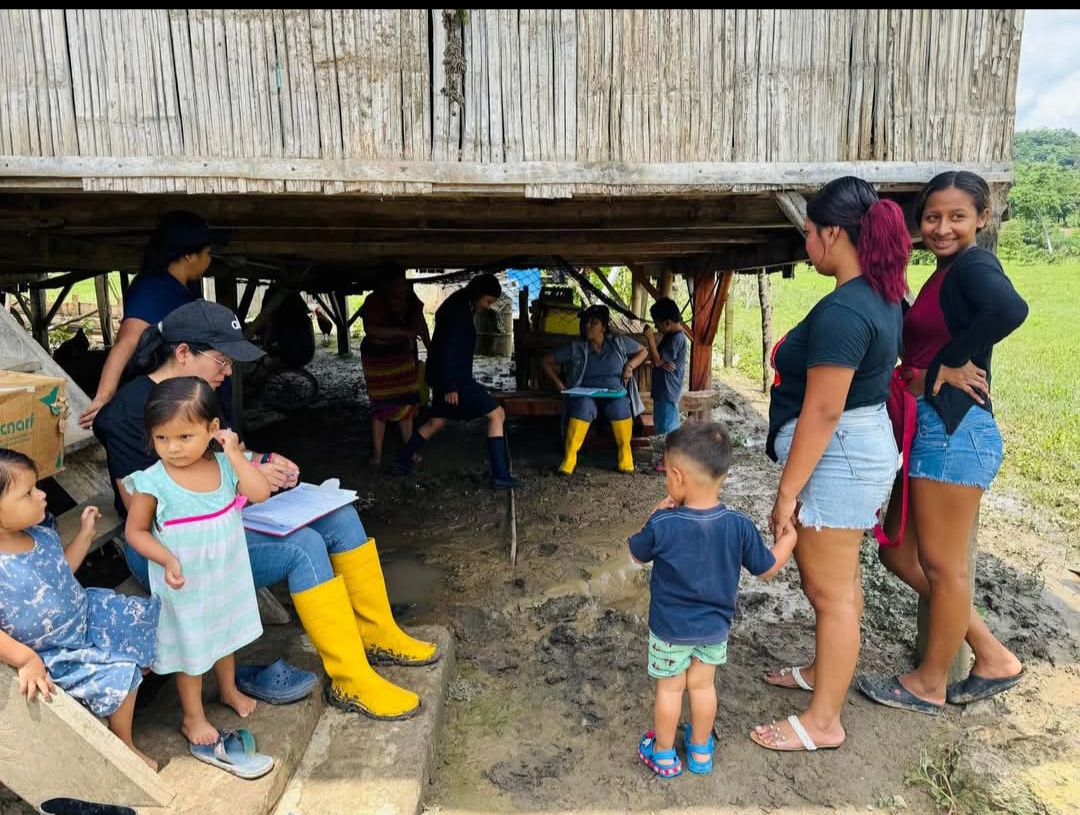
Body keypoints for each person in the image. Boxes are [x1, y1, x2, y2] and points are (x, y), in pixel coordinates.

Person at [94, 300, 436, 721]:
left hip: (220, 516)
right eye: (222, 360)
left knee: (340, 515)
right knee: (303, 547)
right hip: (171, 544)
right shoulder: (130, 413)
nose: (227, 372)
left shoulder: (199, 394)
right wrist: (235, 486)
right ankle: (350, 678)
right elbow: (146, 511)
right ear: (183, 352)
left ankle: (379, 635)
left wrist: (262, 462)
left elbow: (222, 451)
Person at [857, 171, 1027, 713]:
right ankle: (992, 655)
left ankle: (930, 683)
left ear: (983, 217)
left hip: (956, 431)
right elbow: (920, 357)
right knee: (897, 552)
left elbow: (1011, 310)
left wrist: (949, 362)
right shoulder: (942, 273)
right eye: (933, 217)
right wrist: (928, 370)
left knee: (943, 566)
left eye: (957, 216)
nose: (943, 227)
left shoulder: (974, 265)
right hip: (932, 429)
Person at [754, 176, 909, 752]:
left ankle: (824, 722)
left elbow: (823, 410)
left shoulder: (847, 308)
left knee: (831, 593)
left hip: (839, 451)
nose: (807, 244)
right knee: (839, 583)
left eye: (810, 233)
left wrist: (786, 495)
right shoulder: (880, 294)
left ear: (834, 234)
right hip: (856, 446)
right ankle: (824, 673)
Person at [630, 424, 795, 777]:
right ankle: (701, 752)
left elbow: (637, 554)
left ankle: (663, 754)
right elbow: (766, 569)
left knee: (670, 690)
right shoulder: (738, 525)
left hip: (669, 630)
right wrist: (789, 541)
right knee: (703, 686)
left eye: (666, 473)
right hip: (714, 630)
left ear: (677, 476)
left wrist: (654, 513)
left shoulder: (663, 523)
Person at [124, 378, 272, 763]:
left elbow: (260, 493)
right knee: (192, 648)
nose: (172, 447)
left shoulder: (225, 466)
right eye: (161, 438)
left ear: (213, 429)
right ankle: (193, 716)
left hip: (225, 576)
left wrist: (235, 453)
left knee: (224, 633)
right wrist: (167, 559)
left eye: (184, 436)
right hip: (184, 584)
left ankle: (228, 689)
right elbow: (135, 531)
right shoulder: (152, 481)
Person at [0, 450, 160, 770]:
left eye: (37, 487)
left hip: (86, 615)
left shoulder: (40, 534)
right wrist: (25, 659)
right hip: (55, 650)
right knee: (123, 674)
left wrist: (85, 535)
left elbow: (61, 571)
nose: (42, 495)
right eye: (28, 493)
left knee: (143, 620)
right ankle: (124, 743)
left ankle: (131, 673)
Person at [80, 211, 216, 428]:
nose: (210, 259)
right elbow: (126, 342)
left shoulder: (184, 287)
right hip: (163, 400)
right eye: (208, 253)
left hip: (184, 396)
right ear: (189, 256)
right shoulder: (153, 291)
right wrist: (103, 397)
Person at [391, 274, 520, 489]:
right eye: (488, 301)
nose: (488, 306)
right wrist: (450, 385)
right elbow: (447, 349)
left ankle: (401, 461)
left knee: (436, 422)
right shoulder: (458, 312)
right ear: (479, 294)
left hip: (445, 376)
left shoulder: (459, 303)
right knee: (497, 414)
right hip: (455, 380)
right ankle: (500, 475)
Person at [542, 304, 649, 474]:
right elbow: (546, 361)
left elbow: (643, 351)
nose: (587, 326)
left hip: (614, 394)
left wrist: (630, 365)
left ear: (604, 327)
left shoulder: (618, 343)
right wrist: (559, 385)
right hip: (585, 394)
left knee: (620, 407)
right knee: (583, 406)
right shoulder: (577, 347)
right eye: (586, 322)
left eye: (594, 322)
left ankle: (625, 455)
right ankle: (570, 457)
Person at [359, 265, 430, 468]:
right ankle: (377, 456)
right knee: (380, 407)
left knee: (407, 406)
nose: (403, 286)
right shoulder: (373, 301)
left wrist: (430, 348)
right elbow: (370, 329)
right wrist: (402, 332)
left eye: (404, 282)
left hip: (402, 360)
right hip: (378, 362)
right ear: (386, 285)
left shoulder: (410, 299)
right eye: (399, 282)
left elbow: (420, 323)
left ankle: (409, 452)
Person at [643, 297, 688, 439]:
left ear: (668, 322)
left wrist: (650, 339)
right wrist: (662, 362)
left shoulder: (676, 338)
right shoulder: (671, 336)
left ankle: (670, 451)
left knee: (667, 430)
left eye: (657, 324)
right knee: (663, 424)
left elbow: (656, 361)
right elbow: (659, 360)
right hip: (664, 389)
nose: (656, 328)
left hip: (667, 390)